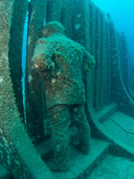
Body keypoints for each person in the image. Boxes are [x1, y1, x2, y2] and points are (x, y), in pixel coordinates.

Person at [32, 21, 95, 171]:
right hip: (77, 92)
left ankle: (61, 163)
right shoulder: (76, 45)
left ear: (48, 31)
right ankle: (85, 147)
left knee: (59, 128)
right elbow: (90, 62)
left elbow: (39, 62)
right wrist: (78, 73)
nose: (43, 34)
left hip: (58, 94)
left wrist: (52, 71)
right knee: (81, 121)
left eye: (44, 31)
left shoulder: (45, 41)